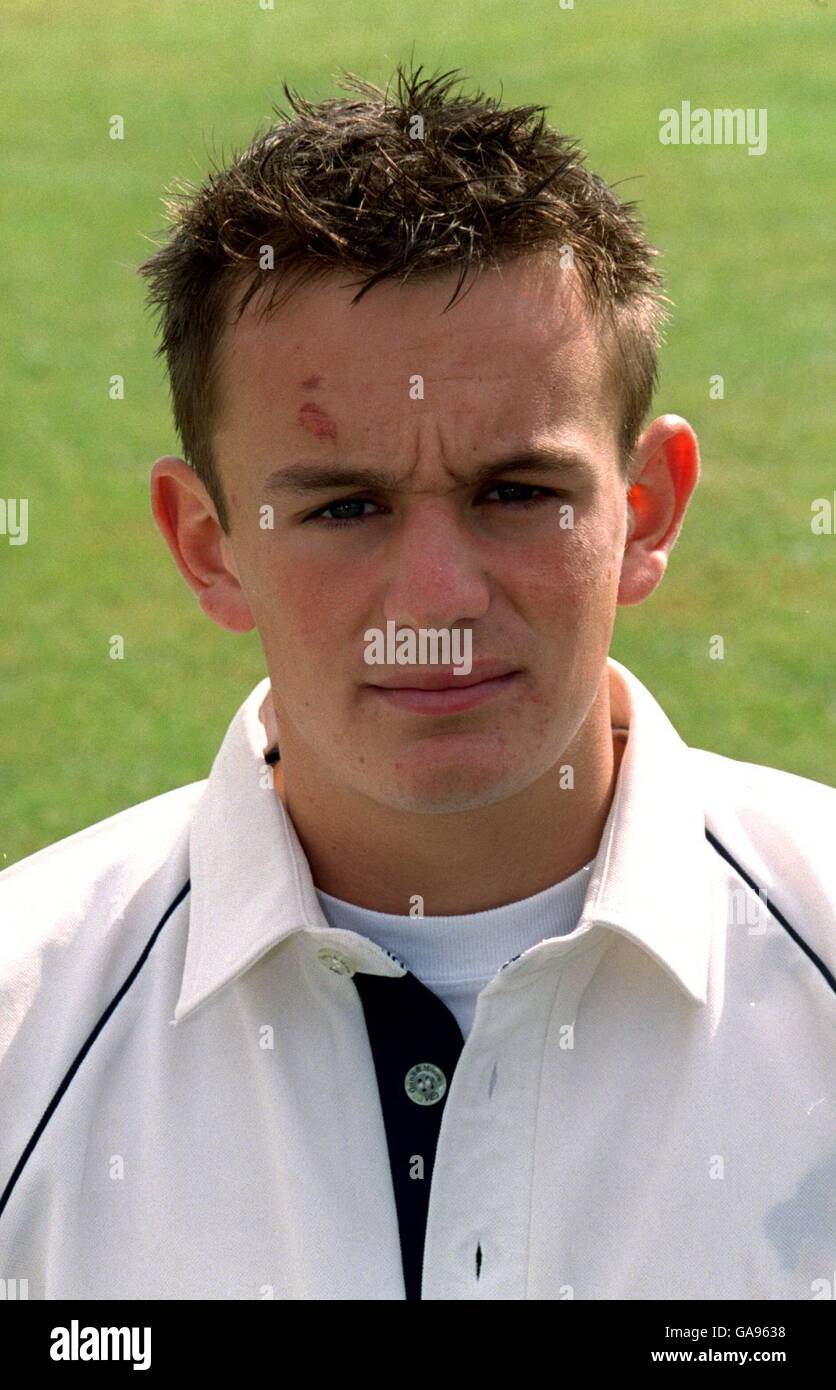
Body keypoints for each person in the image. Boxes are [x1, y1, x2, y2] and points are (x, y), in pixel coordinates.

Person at [1, 65, 834, 1302]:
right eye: (342, 506)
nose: (435, 598)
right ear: (206, 543)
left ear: (646, 510)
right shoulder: (22, 1025)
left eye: (517, 493)